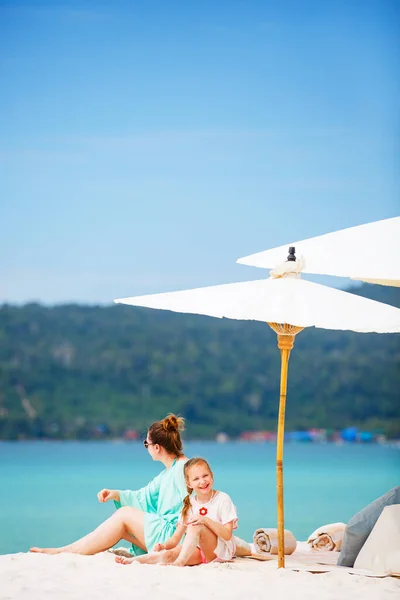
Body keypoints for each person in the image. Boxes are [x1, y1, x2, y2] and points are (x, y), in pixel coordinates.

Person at [30, 414, 188, 555]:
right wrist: (116, 494)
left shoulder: (183, 468)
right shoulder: (168, 472)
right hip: (171, 534)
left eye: (146, 444)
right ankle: (66, 550)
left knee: (123, 514)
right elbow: (143, 496)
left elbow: (195, 504)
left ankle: (63, 551)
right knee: (122, 528)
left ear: (157, 448)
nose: (146, 448)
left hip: (177, 538)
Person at [115, 457, 238, 566]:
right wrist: (164, 546)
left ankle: (180, 563)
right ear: (189, 484)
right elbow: (175, 538)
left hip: (218, 552)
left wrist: (205, 520)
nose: (202, 481)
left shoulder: (223, 499)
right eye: (196, 479)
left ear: (211, 476)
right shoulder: (189, 503)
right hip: (198, 551)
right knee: (169, 555)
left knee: (196, 525)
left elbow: (227, 535)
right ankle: (134, 561)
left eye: (205, 476)